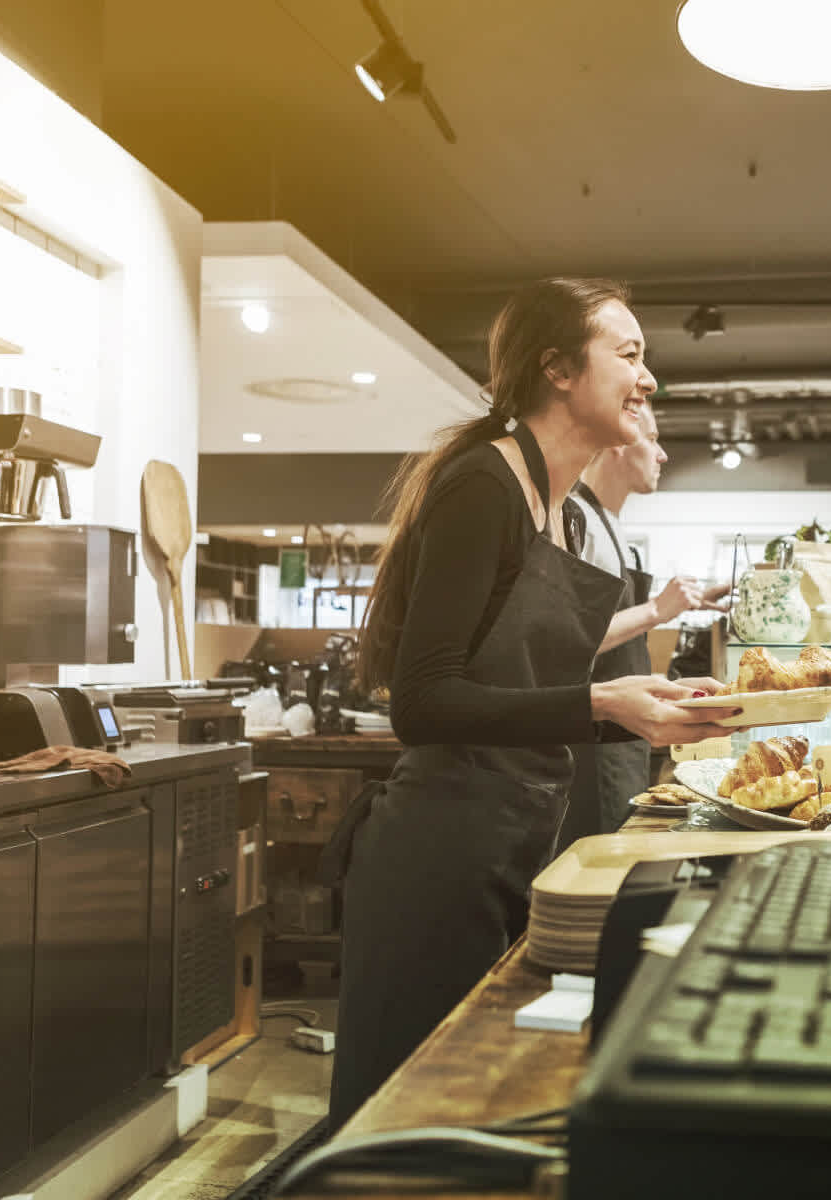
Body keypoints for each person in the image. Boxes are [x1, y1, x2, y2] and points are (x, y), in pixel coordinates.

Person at [324, 277, 736, 1128]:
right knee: (396, 1128)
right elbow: (425, 702)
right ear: (556, 369)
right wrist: (602, 706)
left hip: (516, 839)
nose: (648, 379)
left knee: (473, 1104)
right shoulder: (486, 485)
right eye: (628, 354)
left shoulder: (558, 512)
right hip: (438, 858)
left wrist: (635, 692)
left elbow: (522, 671)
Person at [561, 405, 730, 848]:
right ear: (617, 443)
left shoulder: (609, 524)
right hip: (594, 739)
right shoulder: (577, 520)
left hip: (621, 735)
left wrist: (698, 598)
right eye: (652, 439)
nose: (662, 455)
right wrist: (657, 610)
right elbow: (570, 643)